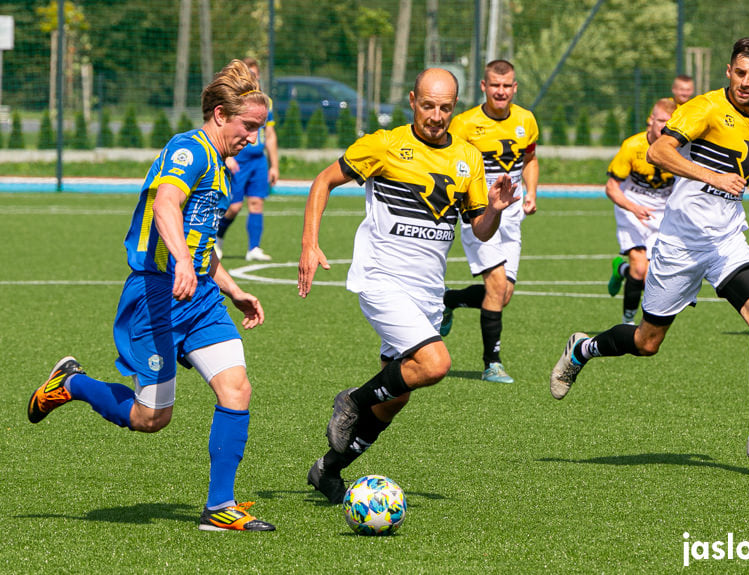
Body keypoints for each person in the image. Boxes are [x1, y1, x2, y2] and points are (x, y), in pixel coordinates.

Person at [27, 60, 276, 531]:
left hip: (200, 297)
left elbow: (202, 240)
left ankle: (220, 507)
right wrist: (180, 259)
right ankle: (72, 384)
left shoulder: (221, 167)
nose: (254, 137)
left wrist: (234, 288)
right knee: (150, 419)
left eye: (259, 128)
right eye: (249, 126)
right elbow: (166, 204)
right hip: (156, 294)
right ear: (221, 115)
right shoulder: (189, 149)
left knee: (236, 389)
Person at [549, 38, 749, 462]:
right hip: (680, 244)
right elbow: (659, 150)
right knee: (647, 343)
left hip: (726, 243)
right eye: (739, 73)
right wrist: (714, 175)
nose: (745, 82)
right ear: (728, 71)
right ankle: (582, 348)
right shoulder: (702, 108)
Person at [299, 68, 516, 503]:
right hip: (381, 279)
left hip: (427, 291)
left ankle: (327, 470)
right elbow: (323, 180)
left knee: (395, 395)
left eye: (445, 107)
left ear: (454, 107)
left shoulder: (469, 158)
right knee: (435, 364)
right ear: (413, 101)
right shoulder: (384, 144)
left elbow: (481, 229)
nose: (436, 116)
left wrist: (493, 209)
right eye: (429, 105)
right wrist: (309, 243)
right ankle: (353, 400)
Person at [440, 59, 539, 383]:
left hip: (511, 213)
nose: (501, 91)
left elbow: (530, 159)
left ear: (514, 87)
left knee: (503, 295)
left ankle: (449, 300)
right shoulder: (465, 124)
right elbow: (449, 163)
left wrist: (531, 193)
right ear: (483, 87)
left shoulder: (526, 120)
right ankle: (491, 363)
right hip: (478, 211)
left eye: (507, 85)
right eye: (494, 85)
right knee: (496, 287)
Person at [605, 98, 677, 325]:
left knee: (649, 277)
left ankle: (621, 269)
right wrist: (633, 207)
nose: (665, 126)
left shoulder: (681, 150)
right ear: (650, 121)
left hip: (663, 215)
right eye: (661, 121)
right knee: (639, 268)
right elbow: (611, 187)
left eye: (670, 122)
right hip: (631, 209)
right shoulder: (632, 146)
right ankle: (627, 323)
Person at [215, 57, 279, 262]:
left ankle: (254, 248)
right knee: (233, 207)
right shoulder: (235, 101)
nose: (253, 78)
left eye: (255, 74)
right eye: (248, 74)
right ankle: (217, 237)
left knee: (256, 203)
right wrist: (227, 157)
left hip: (258, 161)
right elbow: (220, 130)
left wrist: (274, 165)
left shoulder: (265, 102)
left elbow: (270, 135)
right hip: (238, 161)